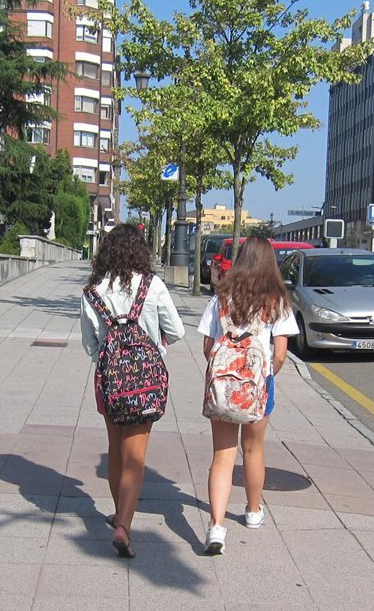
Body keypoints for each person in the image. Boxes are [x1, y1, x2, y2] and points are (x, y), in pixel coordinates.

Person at [81, 224, 185, 557]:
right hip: (145, 382)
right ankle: (124, 526)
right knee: (135, 455)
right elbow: (177, 331)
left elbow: (90, 345)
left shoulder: (93, 291)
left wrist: (111, 353)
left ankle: (118, 514)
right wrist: (154, 342)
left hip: (109, 381)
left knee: (116, 449)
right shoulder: (153, 286)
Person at [197, 236, 298, 555]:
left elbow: (207, 347)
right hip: (259, 384)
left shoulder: (221, 297)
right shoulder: (277, 301)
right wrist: (263, 375)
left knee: (222, 454)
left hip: (223, 385)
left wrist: (227, 371)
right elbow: (280, 354)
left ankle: (216, 527)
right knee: (253, 449)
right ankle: (253, 512)